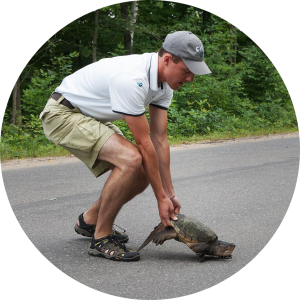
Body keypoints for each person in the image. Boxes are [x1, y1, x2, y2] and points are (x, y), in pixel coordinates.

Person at [39, 31, 211, 262]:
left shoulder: (164, 84)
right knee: (131, 159)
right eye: (187, 71)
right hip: (63, 113)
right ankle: (101, 238)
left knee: (142, 172)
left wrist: (169, 194)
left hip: (91, 116)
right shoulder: (132, 78)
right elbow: (144, 142)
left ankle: (90, 220)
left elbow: (160, 139)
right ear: (168, 59)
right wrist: (160, 198)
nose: (190, 79)